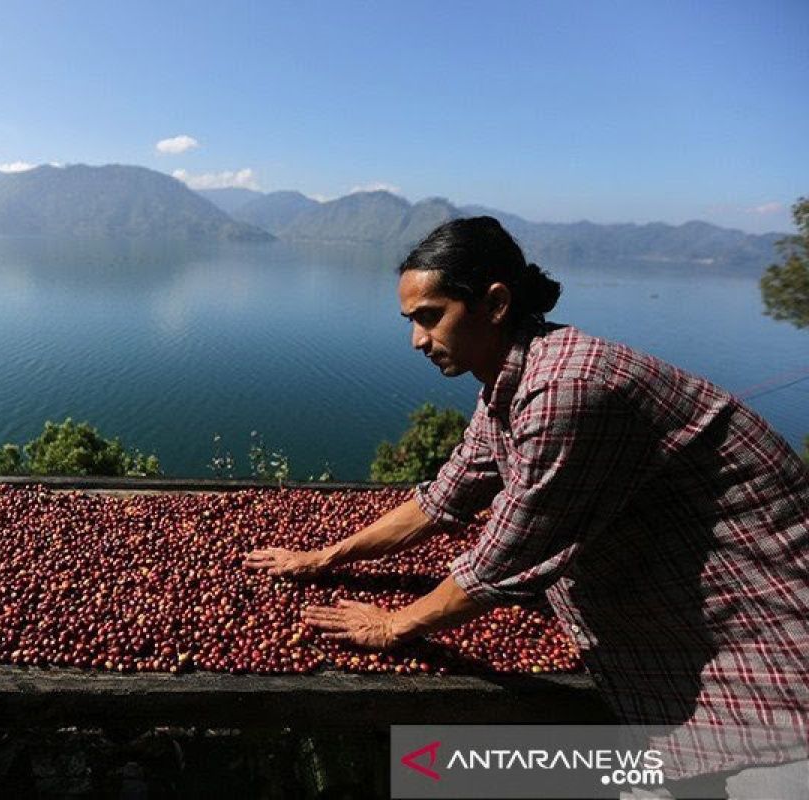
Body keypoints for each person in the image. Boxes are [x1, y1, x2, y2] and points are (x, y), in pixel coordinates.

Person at [244, 217, 809, 796]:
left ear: (494, 304)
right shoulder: (509, 389)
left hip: (764, 663)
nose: (416, 339)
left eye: (430, 316)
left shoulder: (568, 389)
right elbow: (441, 500)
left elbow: (503, 559)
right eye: (411, 321)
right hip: (661, 640)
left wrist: (393, 625)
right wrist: (321, 558)